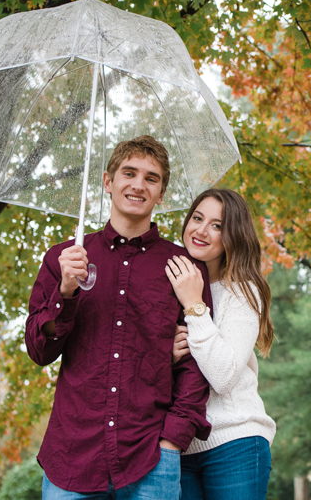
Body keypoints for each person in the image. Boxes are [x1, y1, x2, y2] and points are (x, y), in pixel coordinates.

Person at [25, 135, 212, 500]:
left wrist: (174, 438)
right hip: (71, 456)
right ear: (109, 182)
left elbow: (197, 362)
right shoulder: (64, 259)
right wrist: (65, 292)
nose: (138, 185)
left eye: (151, 178)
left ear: (162, 195)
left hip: (151, 458)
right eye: (129, 173)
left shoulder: (185, 269)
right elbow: (39, 350)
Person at [165, 188, 276, 500]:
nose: (201, 230)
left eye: (217, 225)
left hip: (235, 441)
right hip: (180, 444)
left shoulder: (243, 291)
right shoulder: (169, 283)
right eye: (197, 218)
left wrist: (194, 305)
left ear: (233, 236)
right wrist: (168, 357)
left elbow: (223, 376)